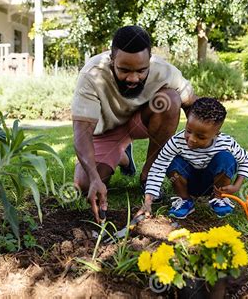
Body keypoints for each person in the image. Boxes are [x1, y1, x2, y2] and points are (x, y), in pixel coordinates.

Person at [71, 25, 197, 223]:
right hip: (105, 132)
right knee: (84, 184)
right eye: (124, 70)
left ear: (149, 61)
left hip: (140, 123)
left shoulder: (164, 71)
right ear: (112, 60)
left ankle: (148, 176)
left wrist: (201, 148)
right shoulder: (92, 74)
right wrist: (95, 177)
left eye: (141, 70)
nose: (133, 78)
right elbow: (81, 133)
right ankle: (123, 156)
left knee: (170, 100)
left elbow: (193, 106)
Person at [136, 97, 248, 219]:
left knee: (226, 158)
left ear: (216, 134)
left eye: (201, 137)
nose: (191, 139)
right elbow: (158, 167)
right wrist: (148, 201)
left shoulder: (226, 143)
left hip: (213, 184)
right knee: (173, 161)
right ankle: (185, 201)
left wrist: (237, 186)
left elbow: (246, 159)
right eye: (188, 131)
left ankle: (218, 199)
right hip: (187, 183)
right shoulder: (176, 142)